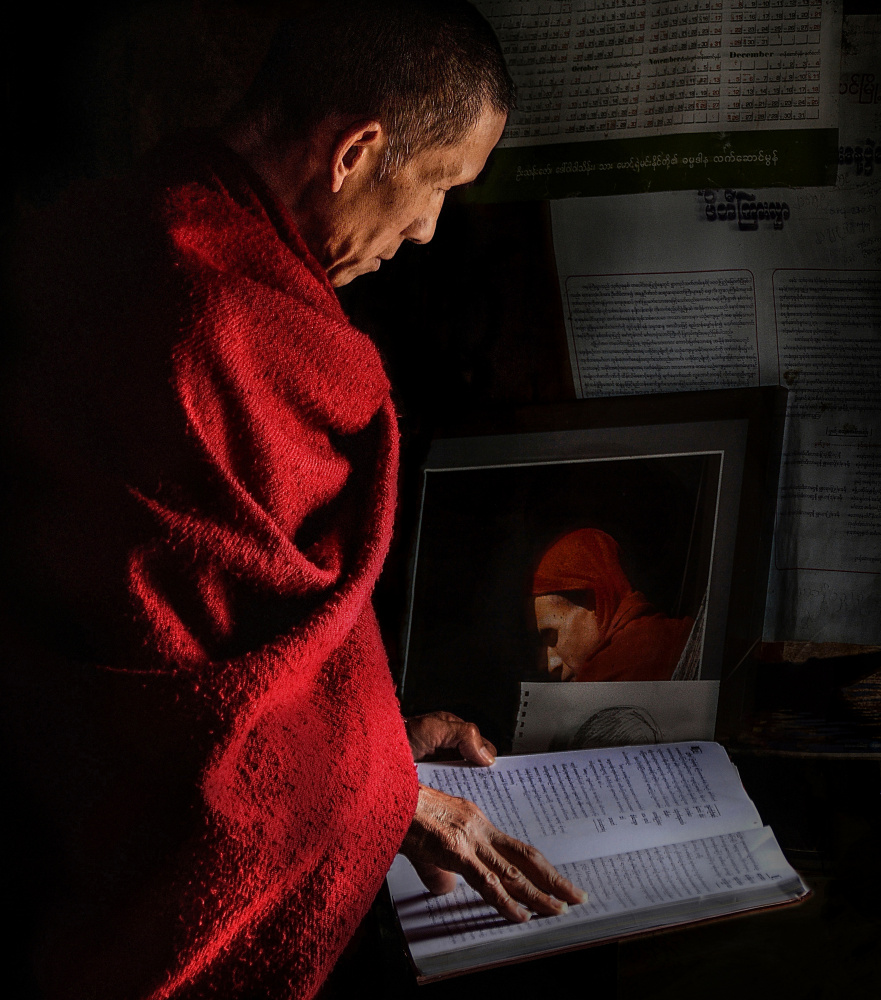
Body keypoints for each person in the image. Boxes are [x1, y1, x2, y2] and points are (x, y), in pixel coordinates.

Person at [1, 3, 583, 998]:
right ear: (356, 151)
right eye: (437, 183)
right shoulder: (215, 325)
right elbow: (164, 692)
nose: (427, 229)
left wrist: (377, 741)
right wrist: (374, 779)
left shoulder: (106, 227)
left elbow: (212, 635)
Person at [532, 528, 697, 682]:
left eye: (552, 636)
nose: (551, 665)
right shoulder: (687, 633)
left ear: (595, 603)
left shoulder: (613, 672)